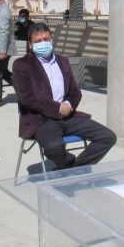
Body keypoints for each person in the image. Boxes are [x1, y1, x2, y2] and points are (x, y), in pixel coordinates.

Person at [13, 23, 115, 170]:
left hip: (68, 115)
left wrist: (68, 105)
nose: (43, 43)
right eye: (38, 41)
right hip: (41, 120)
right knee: (54, 148)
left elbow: (75, 91)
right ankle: (70, 166)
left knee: (107, 137)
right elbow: (27, 98)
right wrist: (57, 109)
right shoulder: (22, 65)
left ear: (52, 40)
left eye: (46, 39)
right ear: (30, 45)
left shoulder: (62, 61)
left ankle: (73, 171)